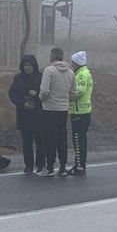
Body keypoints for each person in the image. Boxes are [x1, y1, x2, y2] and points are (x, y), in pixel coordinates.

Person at [38, 47, 76, 177]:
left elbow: (44, 91)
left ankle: (49, 167)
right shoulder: (70, 72)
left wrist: (41, 99)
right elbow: (74, 92)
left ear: (52, 56)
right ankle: (63, 167)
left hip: (49, 109)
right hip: (63, 110)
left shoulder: (49, 70)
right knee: (62, 138)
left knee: (49, 139)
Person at [8, 55, 44, 173]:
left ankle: (40, 164)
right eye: (25, 65)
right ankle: (28, 165)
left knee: (40, 140)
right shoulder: (18, 79)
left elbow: (46, 93)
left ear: (34, 65)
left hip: (39, 113)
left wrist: (37, 94)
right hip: (25, 114)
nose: (27, 68)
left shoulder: (41, 77)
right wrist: (22, 103)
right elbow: (13, 94)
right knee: (27, 142)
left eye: (29, 65)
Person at [69, 51, 94, 176]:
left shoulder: (82, 74)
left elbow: (79, 92)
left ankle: (80, 166)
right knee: (78, 139)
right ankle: (78, 164)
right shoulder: (81, 73)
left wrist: (66, 96)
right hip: (80, 111)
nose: (72, 64)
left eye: (73, 62)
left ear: (77, 62)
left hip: (80, 112)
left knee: (78, 140)